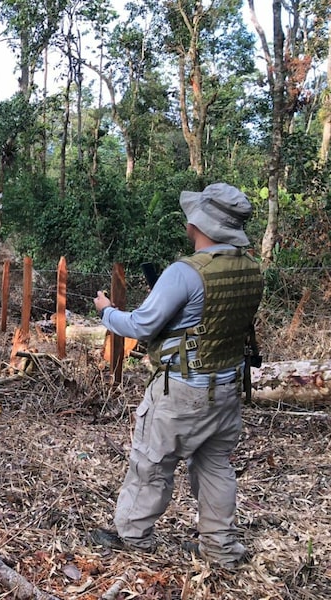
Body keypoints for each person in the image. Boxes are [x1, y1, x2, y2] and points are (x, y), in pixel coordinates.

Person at [91, 182, 263, 569]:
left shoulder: (184, 273)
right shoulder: (251, 269)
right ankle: (221, 549)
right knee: (216, 464)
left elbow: (140, 325)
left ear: (199, 222)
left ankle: (133, 536)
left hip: (183, 389)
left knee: (151, 462)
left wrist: (105, 310)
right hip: (228, 388)